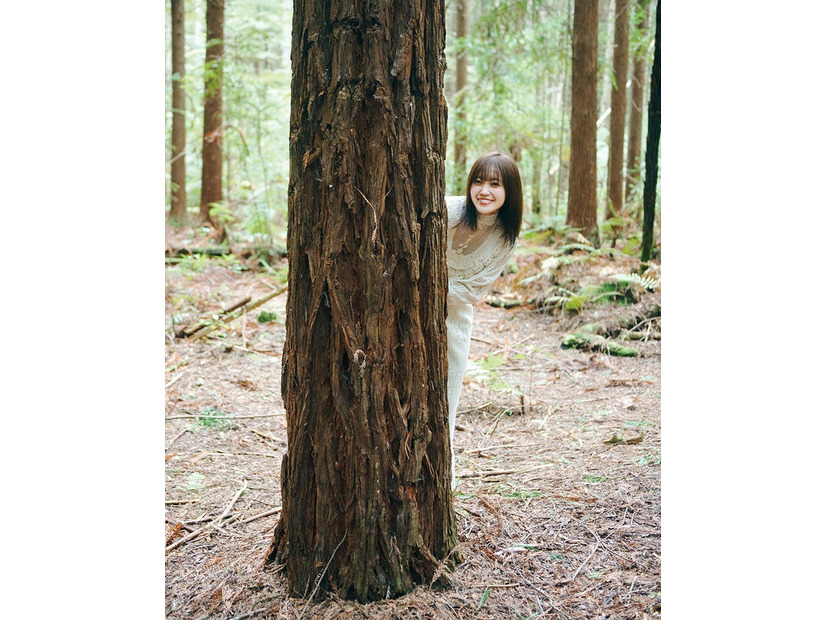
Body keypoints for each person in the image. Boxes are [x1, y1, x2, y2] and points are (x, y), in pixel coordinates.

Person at [445, 151, 523, 487]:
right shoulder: (449, 210)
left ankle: (441, 480)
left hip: (455, 323)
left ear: (509, 192)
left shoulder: (505, 237)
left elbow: (473, 292)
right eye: (478, 181)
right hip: (404, 316)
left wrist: (429, 281)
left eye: (495, 184)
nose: (484, 190)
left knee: (446, 401)